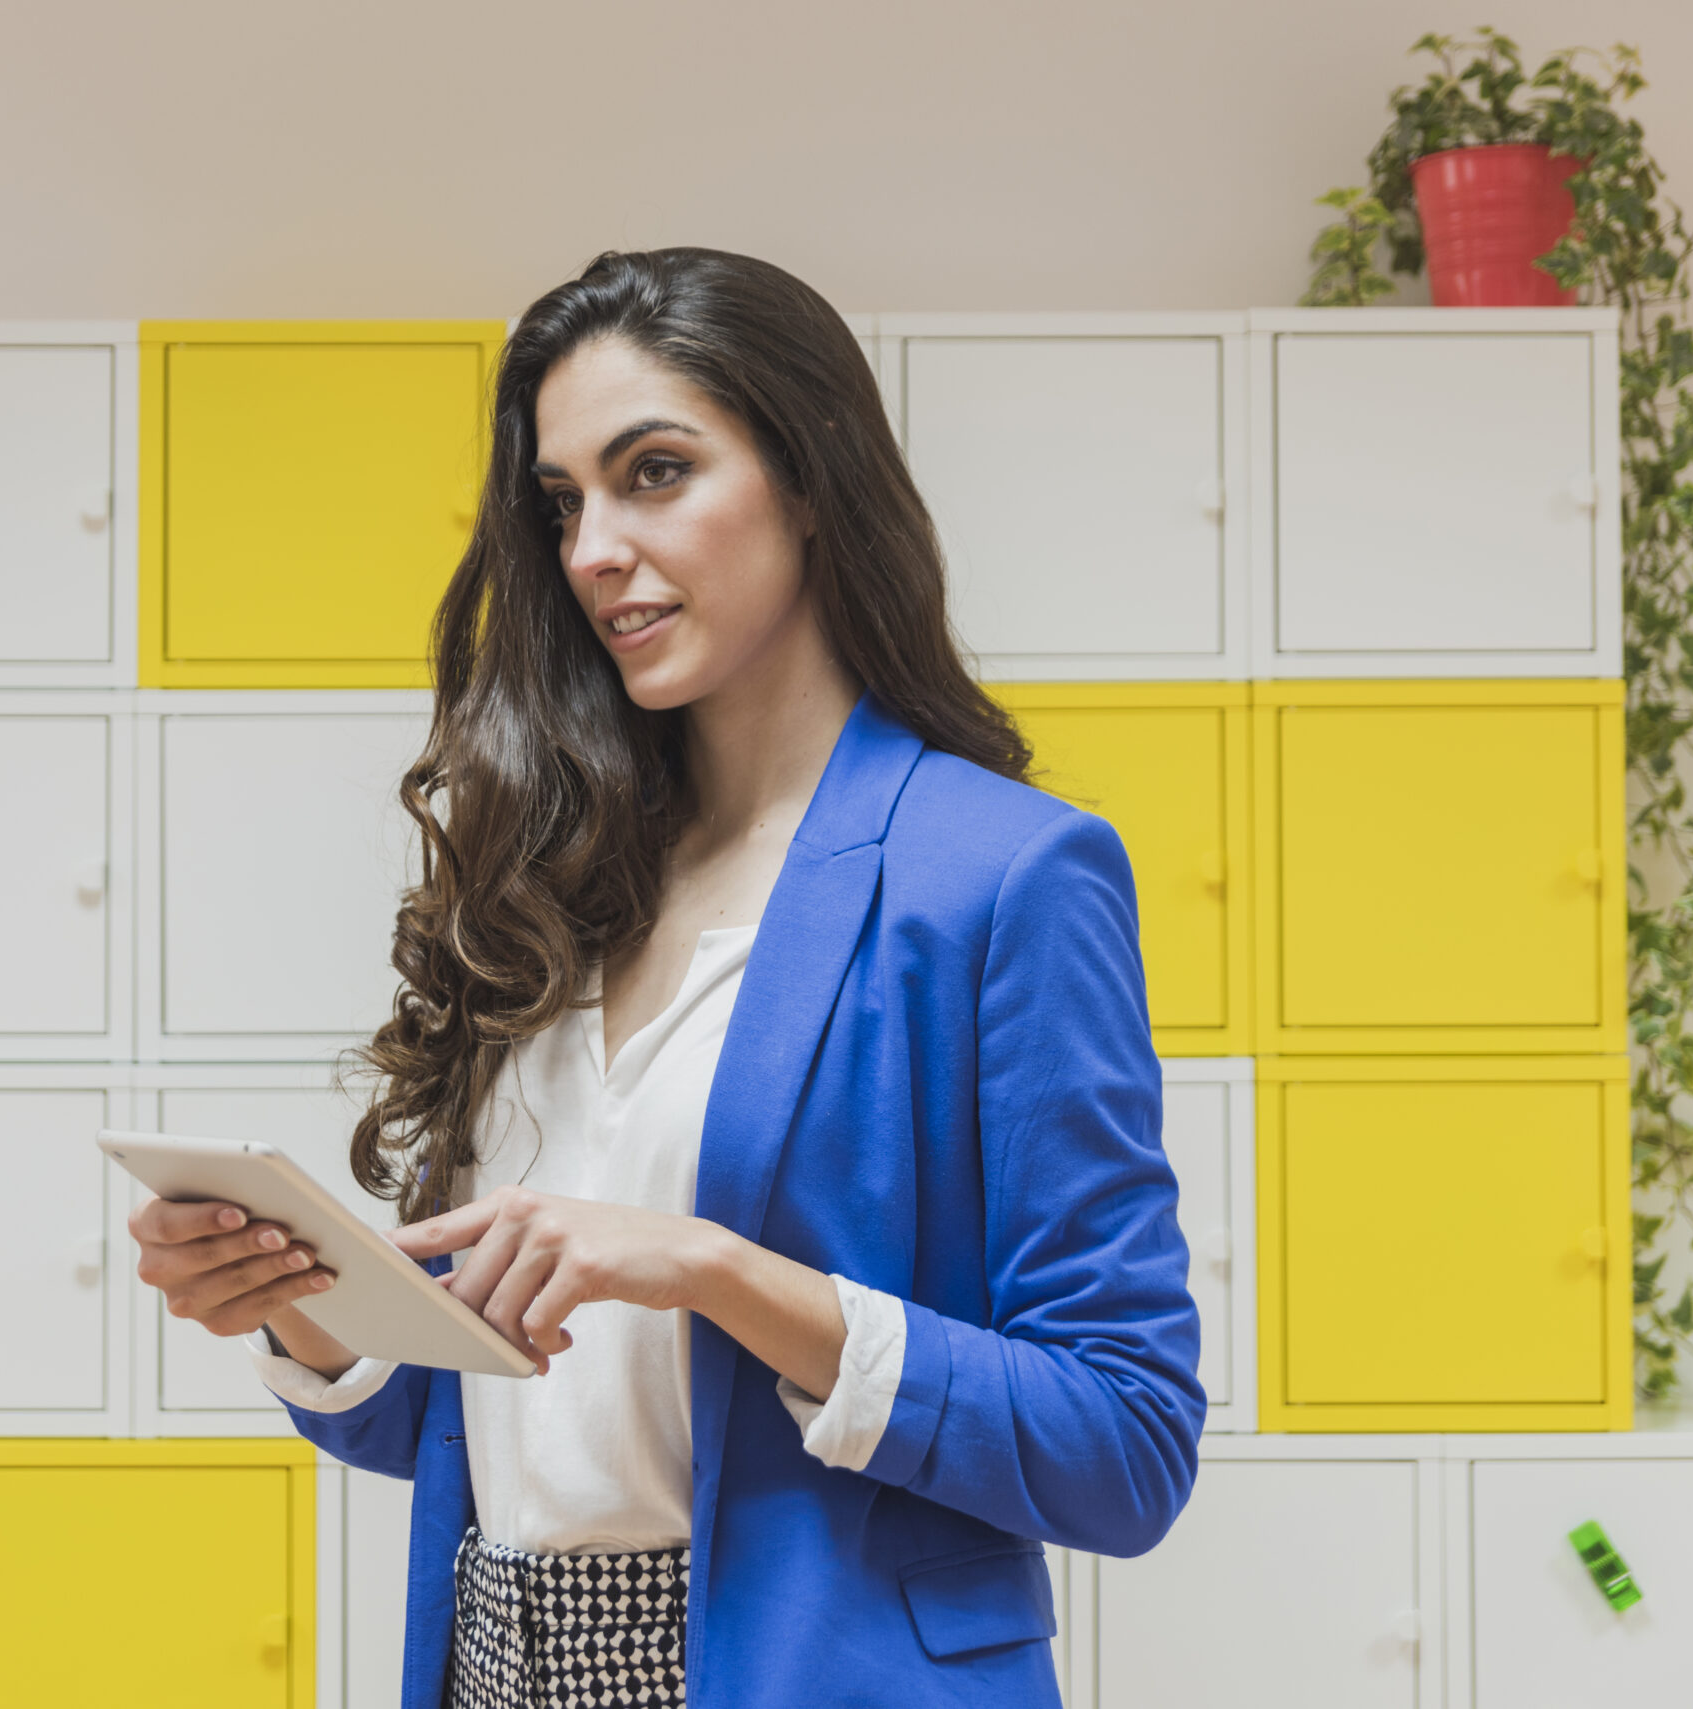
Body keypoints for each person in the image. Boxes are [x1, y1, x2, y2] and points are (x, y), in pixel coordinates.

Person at [128, 247, 1203, 1709]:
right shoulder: (553, 881)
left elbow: (1127, 1443)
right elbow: (498, 1429)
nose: (590, 550)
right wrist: (297, 1301)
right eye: (564, 502)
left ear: (812, 475)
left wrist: (715, 1269)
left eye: (654, 472)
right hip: (496, 1665)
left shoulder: (1003, 873)